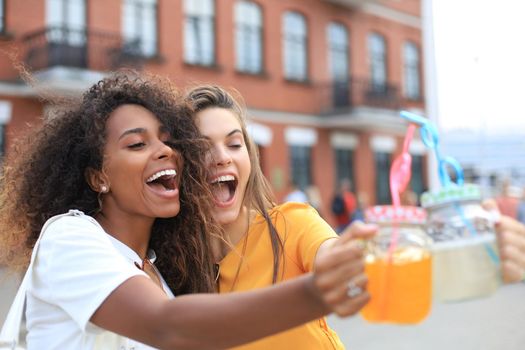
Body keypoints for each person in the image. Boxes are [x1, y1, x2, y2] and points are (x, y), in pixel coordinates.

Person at [0, 72, 370, 349]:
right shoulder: (69, 238)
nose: (165, 151)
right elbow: (166, 326)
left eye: (167, 139)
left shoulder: (160, 277)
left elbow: (327, 249)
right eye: (137, 144)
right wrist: (316, 293)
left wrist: (352, 260)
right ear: (98, 177)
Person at [186, 85, 377, 350]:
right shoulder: (178, 267)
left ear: (250, 157)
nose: (221, 157)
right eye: (201, 147)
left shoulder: (290, 224)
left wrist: (344, 260)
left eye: (234, 144)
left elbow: (326, 250)